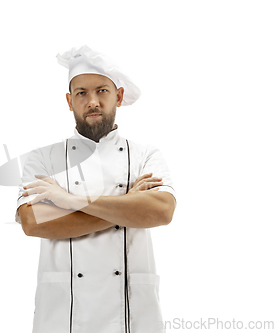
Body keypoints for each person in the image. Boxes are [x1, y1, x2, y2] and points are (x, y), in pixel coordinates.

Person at [15, 45, 177, 333]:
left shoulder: (146, 156)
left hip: (131, 316)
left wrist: (70, 200)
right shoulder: (43, 159)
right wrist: (129, 205)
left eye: (102, 90)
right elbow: (32, 222)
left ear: (119, 96)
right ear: (69, 100)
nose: (92, 101)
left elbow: (162, 212)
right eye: (81, 93)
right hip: (64, 316)